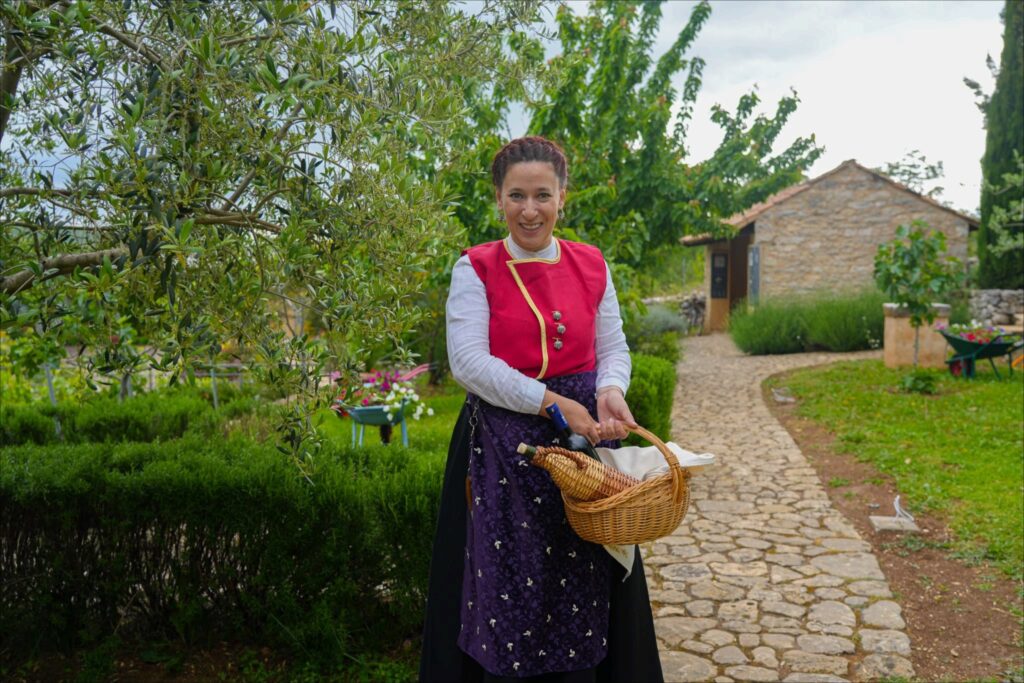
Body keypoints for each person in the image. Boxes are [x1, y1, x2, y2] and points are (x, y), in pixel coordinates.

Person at [419, 137, 663, 682]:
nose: (530, 210)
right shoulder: (475, 268)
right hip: (504, 448)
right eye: (517, 196)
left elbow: (613, 347)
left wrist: (610, 390)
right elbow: (469, 363)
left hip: (585, 444)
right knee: (512, 587)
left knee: (587, 579)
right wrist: (552, 403)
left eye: (542, 196)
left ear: (562, 198)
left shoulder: (591, 264)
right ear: (498, 199)